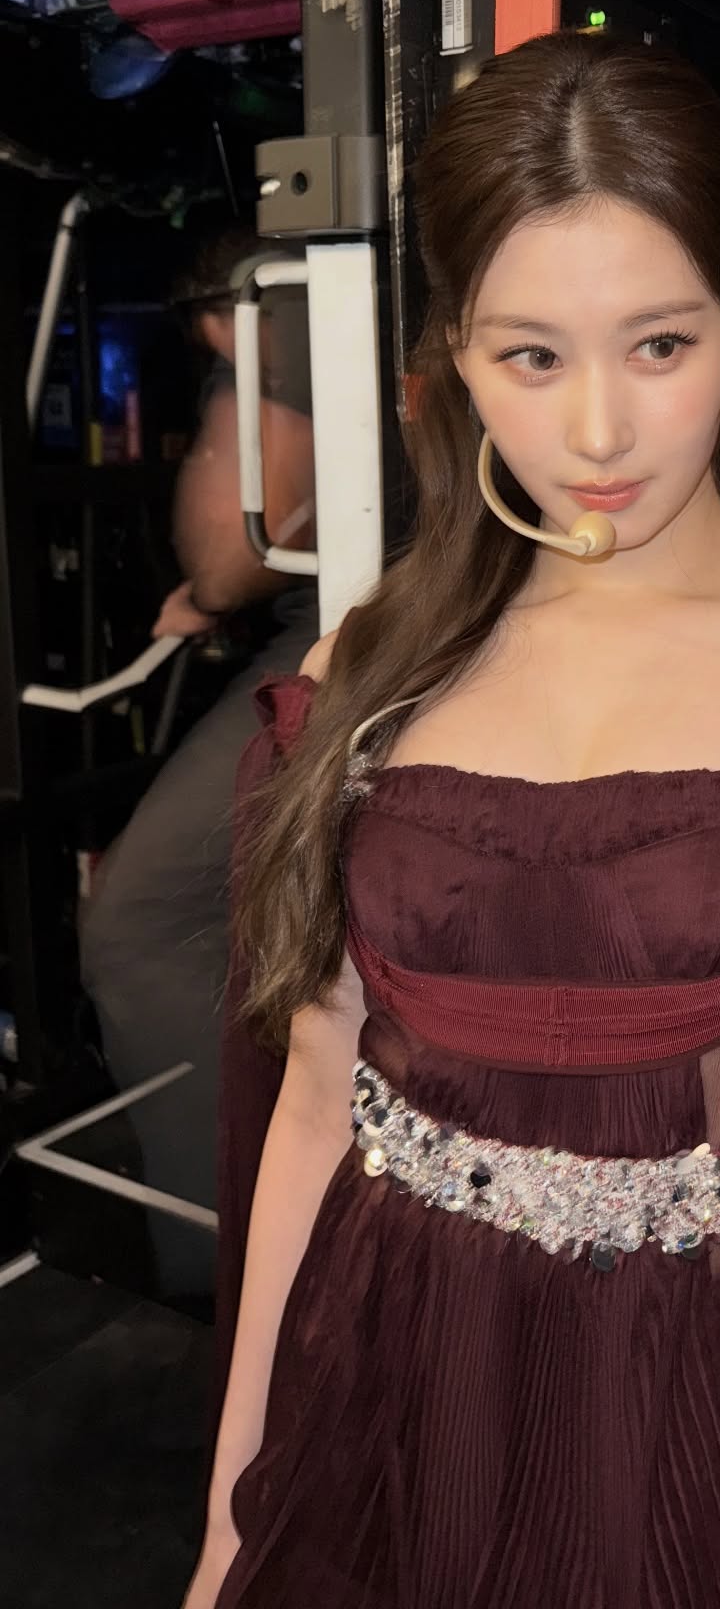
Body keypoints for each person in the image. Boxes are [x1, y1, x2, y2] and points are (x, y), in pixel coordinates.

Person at [185, 35, 720, 1609]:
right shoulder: (363, 671)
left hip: (698, 1437)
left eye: (657, 344)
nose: (597, 433)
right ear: (456, 364)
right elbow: (312, 1107)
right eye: (532, 357)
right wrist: (226, 1533)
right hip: (384, 1413)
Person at [80, 225, 318, 1297]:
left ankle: (226, 1266)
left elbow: (233, 546)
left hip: (339, 640)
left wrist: (211, 593)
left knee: (141, 920)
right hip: (349, 623)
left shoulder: (283, 329)